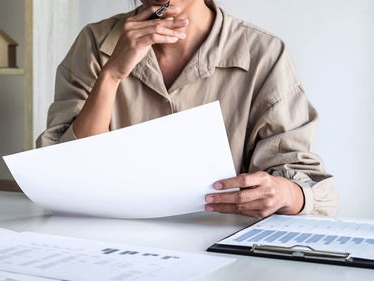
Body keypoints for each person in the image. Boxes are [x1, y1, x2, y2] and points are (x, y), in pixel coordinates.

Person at [37, 0, 339, 217]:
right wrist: (112, 73)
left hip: (224, 253)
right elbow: (66, 171)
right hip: (111, 243)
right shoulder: (94, 43)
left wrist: (284, 193)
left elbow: (311, 188)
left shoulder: (264, 54)